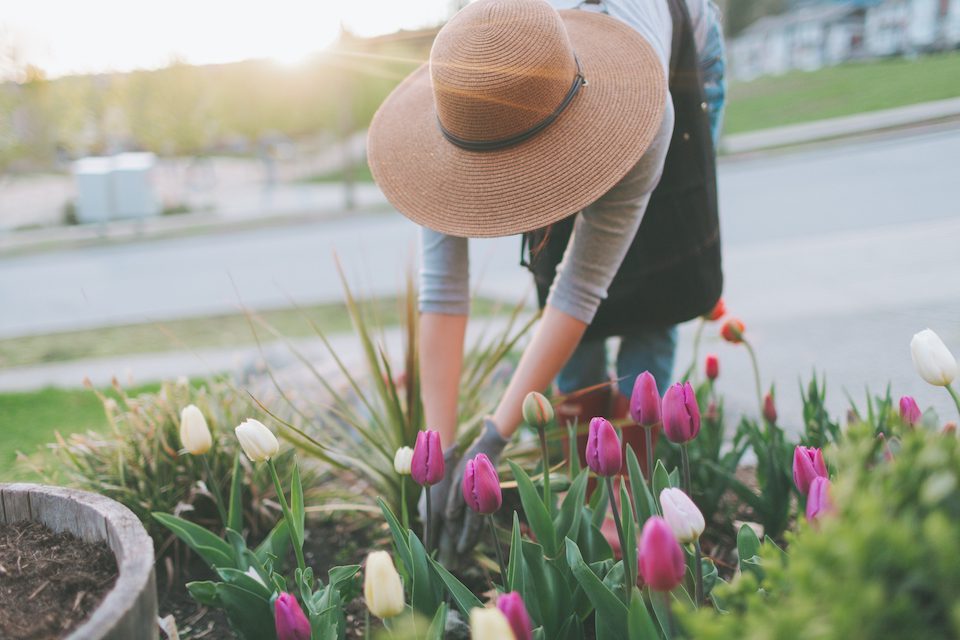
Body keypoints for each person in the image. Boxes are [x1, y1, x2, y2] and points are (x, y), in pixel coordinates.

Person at [367, 0, 726, 563]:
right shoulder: (468, 71)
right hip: (550, 92)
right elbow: (442, 288)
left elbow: (581, 286)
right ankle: (584, 485)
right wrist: (442, 452)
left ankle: (630, 504)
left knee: (653, 289)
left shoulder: (645, 106)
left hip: (680, 61)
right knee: (566, 292)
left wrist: (497, 434)